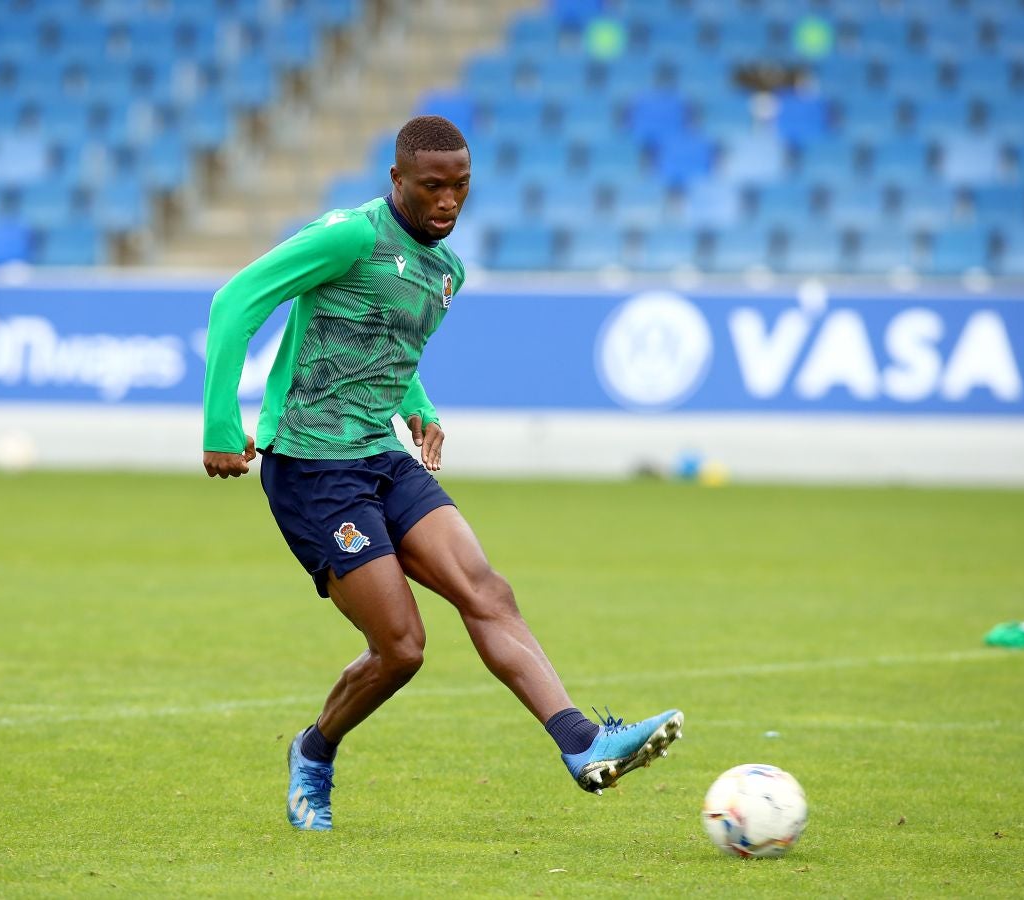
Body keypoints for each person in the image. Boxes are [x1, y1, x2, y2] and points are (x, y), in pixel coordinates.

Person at [201, 115, 682, 832]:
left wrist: (420, 404)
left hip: (381, 454)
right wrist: (217, 422)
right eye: (432, 186)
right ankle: (313, 751)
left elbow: (390, 349)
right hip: (311, 467)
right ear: (397, 181)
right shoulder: (350, 236)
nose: (449, 201)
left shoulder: (447, 271)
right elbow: (236, 301)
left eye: (460, 186)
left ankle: (582, 743)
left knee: (486, 587)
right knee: (402, 648)